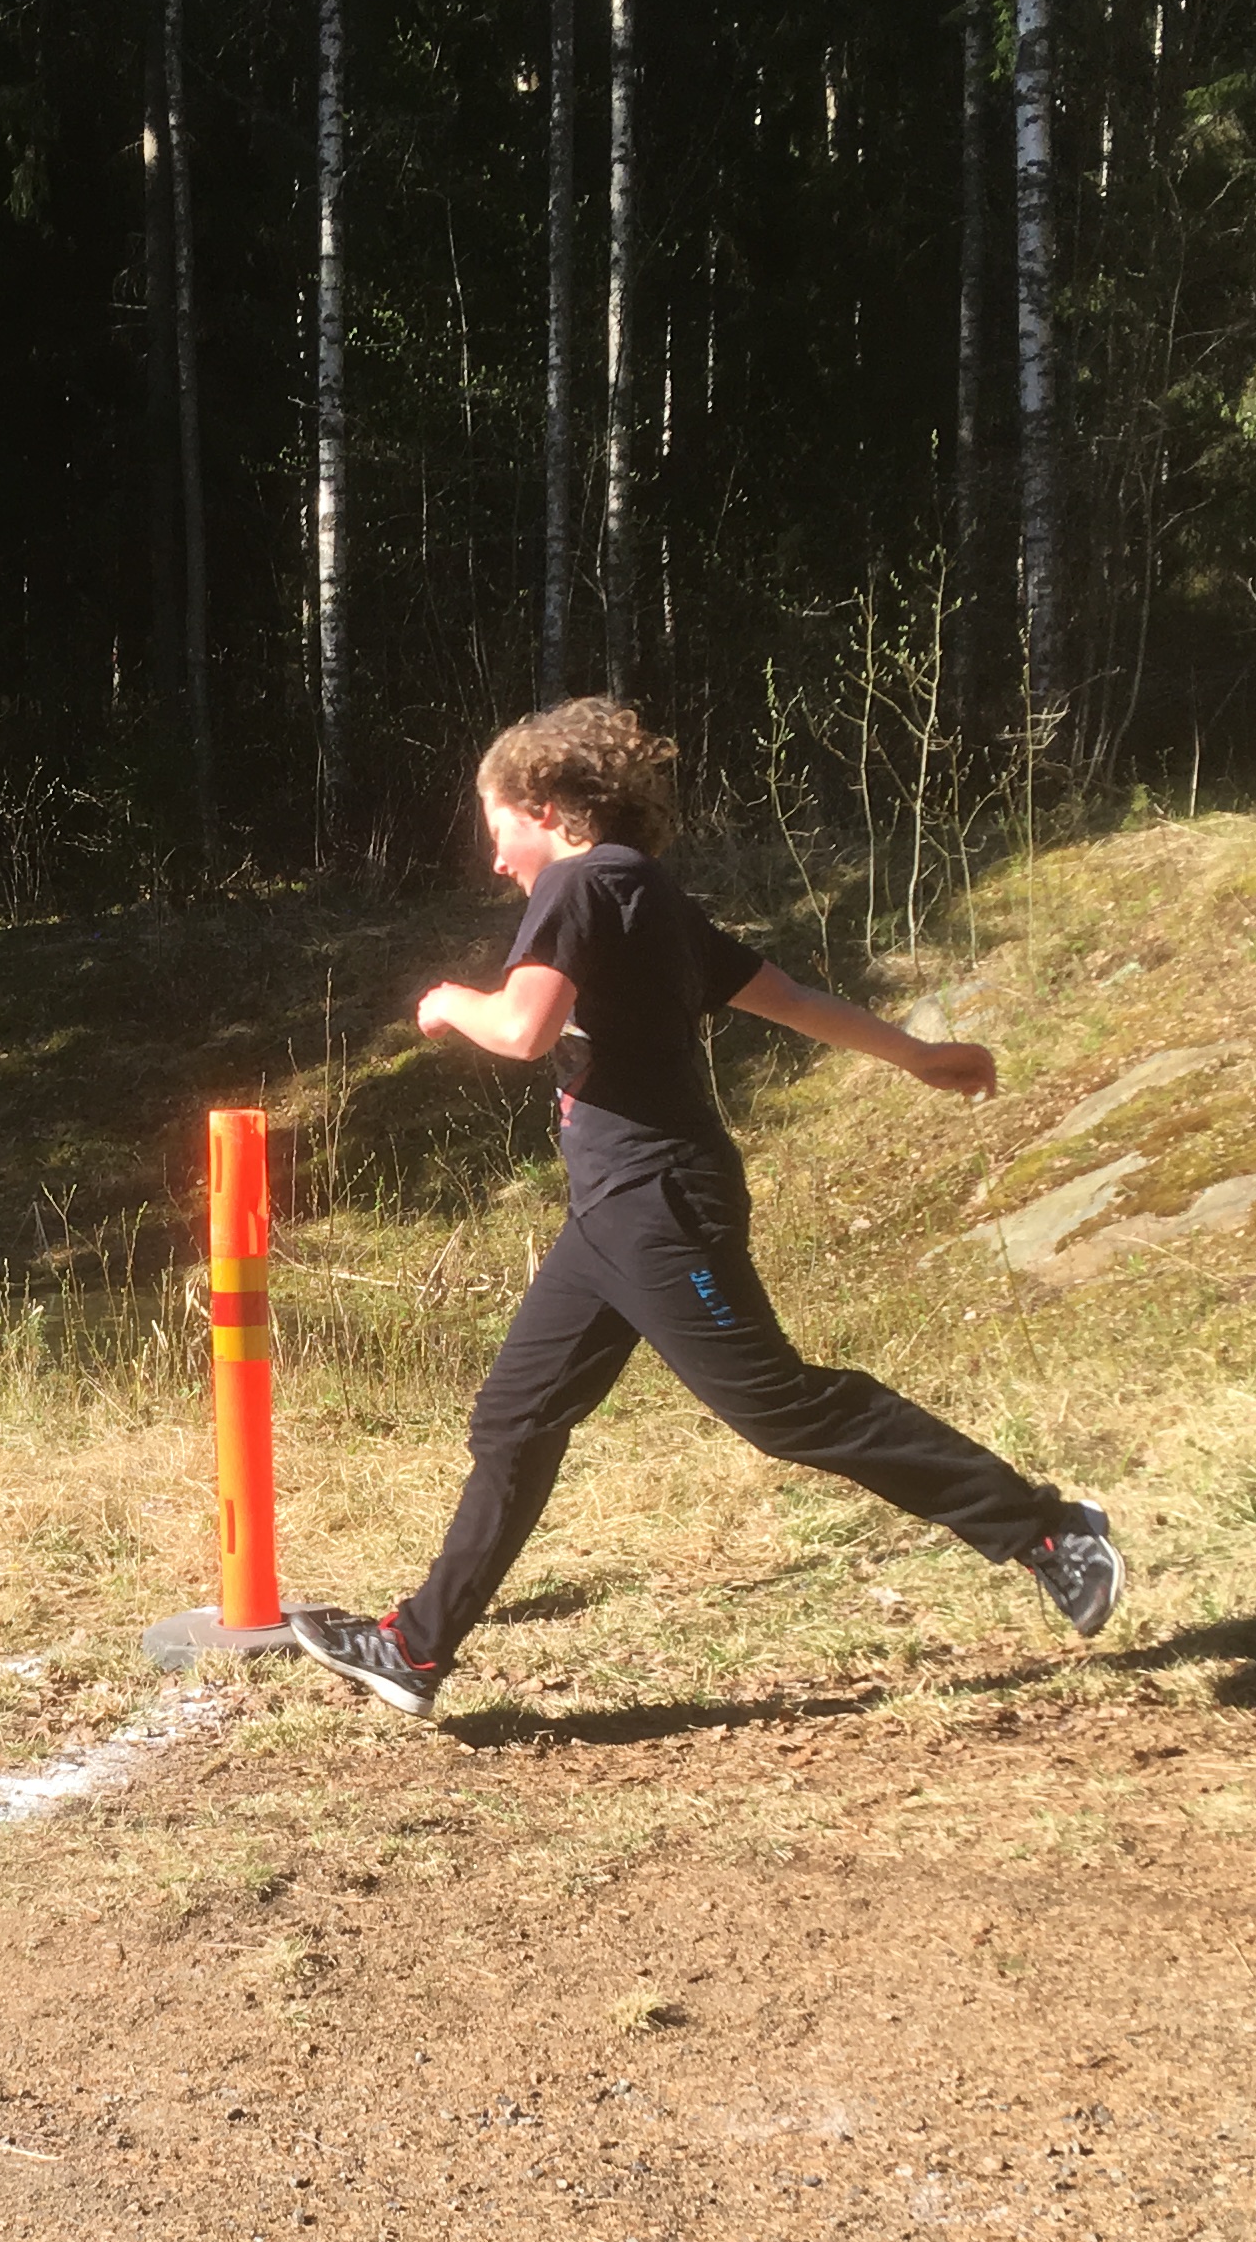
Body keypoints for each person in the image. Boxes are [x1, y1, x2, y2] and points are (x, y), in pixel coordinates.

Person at [286, 696, 1120, 1724]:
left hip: (658, 1203)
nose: (495, 858)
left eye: (495, 826)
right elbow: (794, 1000)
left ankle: (1048, 1532)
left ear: (541, 805)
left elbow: (523, 1029)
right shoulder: (644, 892)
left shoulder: (583, 882)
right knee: (515, 1419)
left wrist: (450, 1003)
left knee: (781, 1408)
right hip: (612, 1212)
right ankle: (414, 1647)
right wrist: (916, 1055)